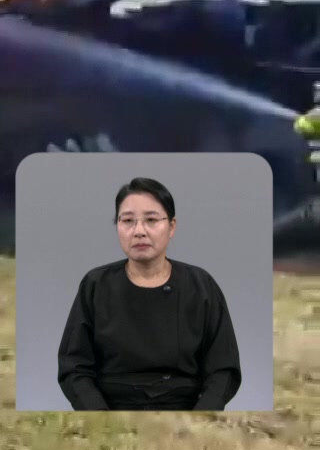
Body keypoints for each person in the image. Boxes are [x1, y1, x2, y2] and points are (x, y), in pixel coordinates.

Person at [55, 176, 243, 411]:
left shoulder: (200, 285)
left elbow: (223, 369)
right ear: (117, 226)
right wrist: (101, 419)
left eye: (151, 220)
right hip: (109, 410)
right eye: (128, 221)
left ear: (172, 226)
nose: (139, 231)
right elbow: (74, 367)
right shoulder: (95, 285)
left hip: (184, 410)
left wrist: (200, 419)